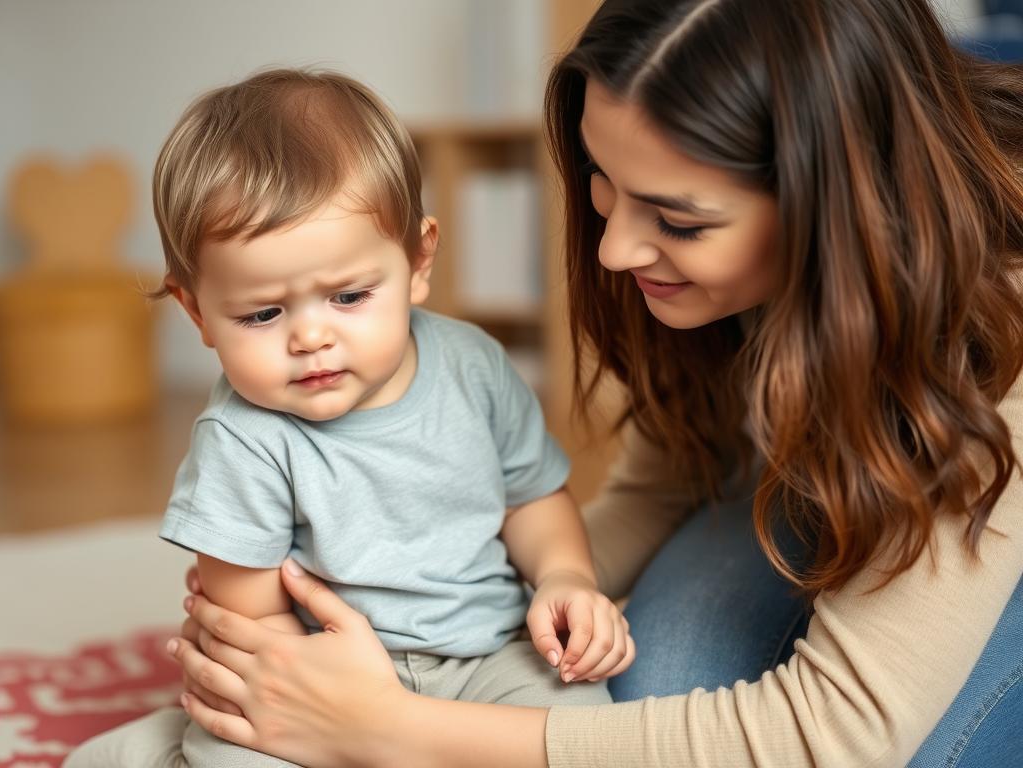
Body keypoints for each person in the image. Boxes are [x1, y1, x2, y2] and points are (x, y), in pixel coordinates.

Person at [84, 0, 1023, 764]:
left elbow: (833, 734)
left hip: (978, 527)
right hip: (852, 480)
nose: (612, 250)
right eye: (604, 187)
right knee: (613, 678)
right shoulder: (247, 434)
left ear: (832, 205)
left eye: (678, 220)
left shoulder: (990, 336)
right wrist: (486, 606)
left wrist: (389, 729)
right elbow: (662, 481)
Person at [65, 69, 633, 768]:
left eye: (349, 296)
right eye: (264, 314)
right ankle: (153, 754)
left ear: (419, 259)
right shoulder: (244, 437)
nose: (310, 338)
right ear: (196, 312)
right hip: (319, 672)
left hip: (491, 655)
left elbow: (531, 499)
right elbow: (253, 620)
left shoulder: (474, 366)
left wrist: (565, 578)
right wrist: (326, 720)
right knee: (243, 749)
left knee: (585, 733)